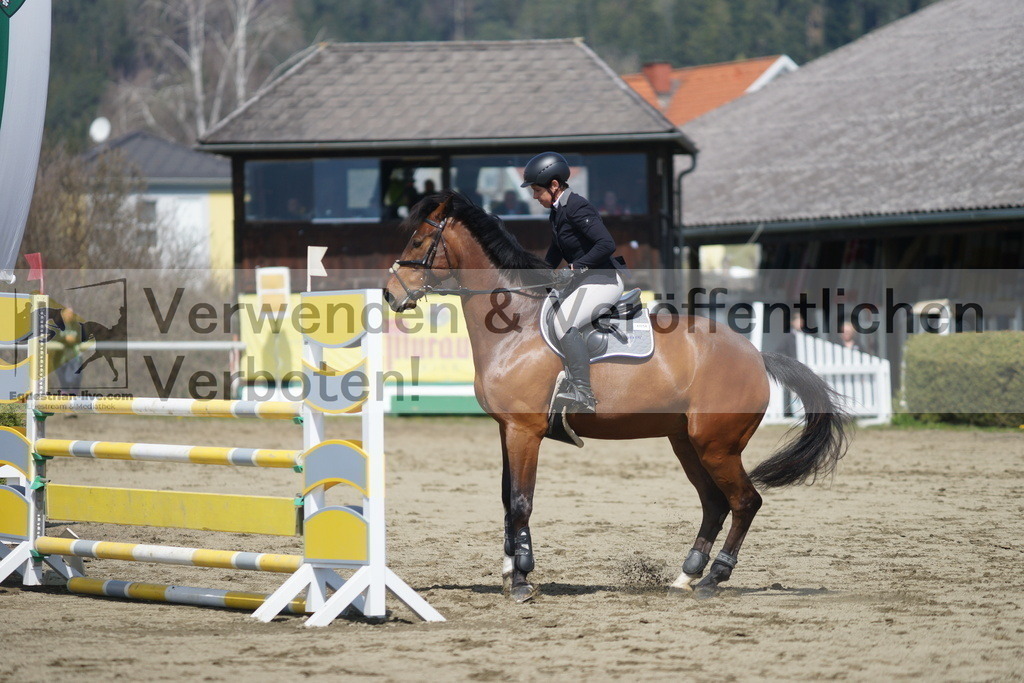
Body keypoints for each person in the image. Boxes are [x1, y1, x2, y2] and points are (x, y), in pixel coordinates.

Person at [521, 151, 627, 413]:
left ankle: (583, 391)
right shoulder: (557, 212)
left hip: (603, 281)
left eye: (537, 190)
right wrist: (536, 278)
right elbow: (555, 253)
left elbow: (606, 244)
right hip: (583, 282)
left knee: (564, 322)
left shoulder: (577, 206)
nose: (534, 196)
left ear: (554, 186)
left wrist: (576, 267)